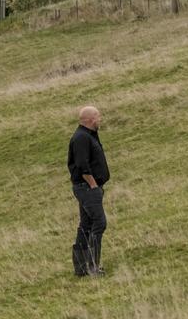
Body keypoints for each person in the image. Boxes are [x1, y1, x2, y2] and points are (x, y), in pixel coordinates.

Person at [67, 105, 110, 276]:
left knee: (86, 225)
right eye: (98, 116)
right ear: (90, 119)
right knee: (99, 223)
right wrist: (93, 185)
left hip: (88, 188)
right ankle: (92, 267)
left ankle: (81, 268)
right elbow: (82, 165)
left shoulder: (88, 135)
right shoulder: (81, 138)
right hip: (87, 188)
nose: (100, 119)